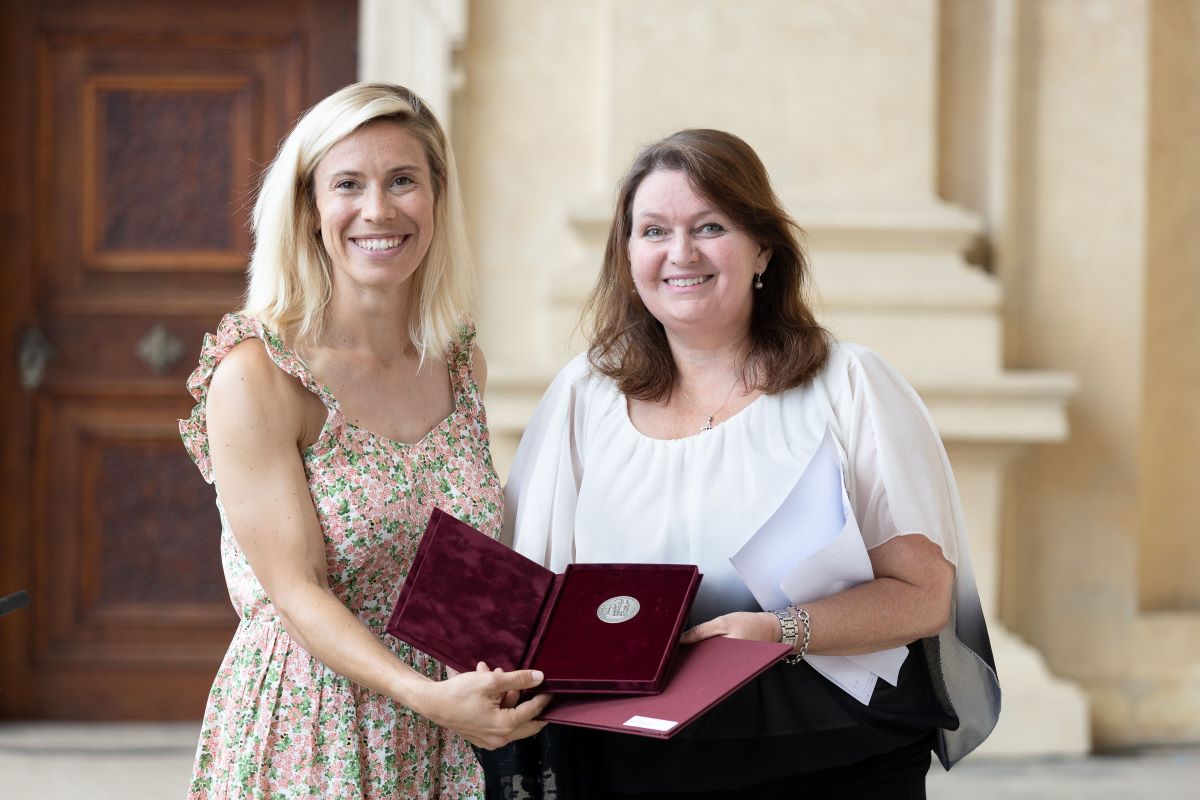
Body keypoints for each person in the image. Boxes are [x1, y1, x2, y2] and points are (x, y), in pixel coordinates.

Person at [485, 129, 999, 798]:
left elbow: (924, 595)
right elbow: (531, 599)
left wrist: (780, 631)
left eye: (710, 226)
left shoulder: (850, 386)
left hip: (827, 755)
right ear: (627, 254)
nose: (681, 253)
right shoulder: (581, 398)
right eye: (654, 231)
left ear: (762, 248)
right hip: (627, 762)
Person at [179, 83, 549, 800]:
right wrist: (422, 694)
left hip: (446, 730)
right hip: (315, 725)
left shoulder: (459, 365)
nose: (378, 210)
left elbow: (463, 568)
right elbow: (296, 590)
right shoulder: (258, 373)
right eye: (348, 184)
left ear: (436, 199)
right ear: (310, 210)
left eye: (402, 180)